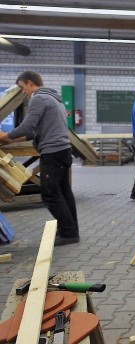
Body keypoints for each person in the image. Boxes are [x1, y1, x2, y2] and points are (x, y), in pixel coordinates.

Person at [0, 71, 79, 246]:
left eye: (22, 88)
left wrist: (6, 137)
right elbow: (33, 132)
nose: (23, 92)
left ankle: (68, 232)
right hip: (63, 151)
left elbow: (27, 126)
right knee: (64, 192)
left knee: (49, 194)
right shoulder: (53, 99)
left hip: (53, 152)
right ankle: (71, 230)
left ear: (29, 83)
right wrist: (10, 139)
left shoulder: (38, 99)